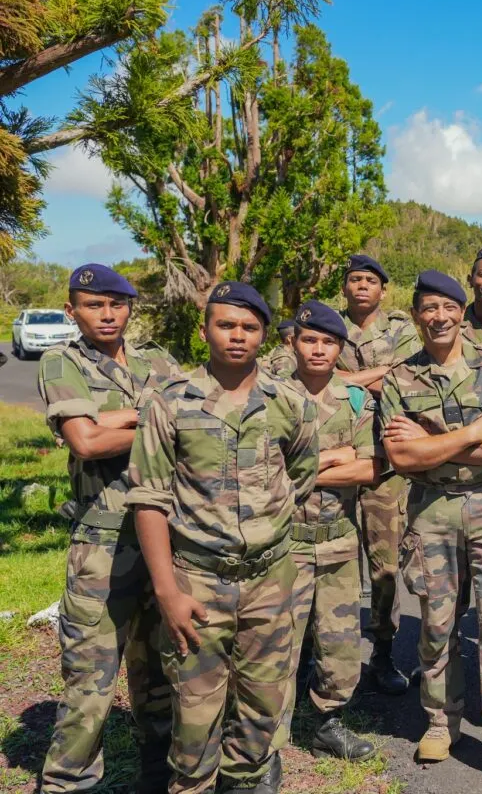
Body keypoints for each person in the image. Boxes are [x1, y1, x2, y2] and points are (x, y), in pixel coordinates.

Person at [128, 282, 319, 794]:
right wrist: (167, 591)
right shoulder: (170, 403)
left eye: (249, 327)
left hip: (270, 582)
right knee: (194, 720)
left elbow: (299, 477)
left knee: (262, 711)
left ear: (264, 335)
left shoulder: (290, 403)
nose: (238, 336)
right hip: (197, 582)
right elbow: (149, 499)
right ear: (204, 330)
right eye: (226, 325)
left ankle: (245, 781)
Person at [380, 270, 482, 792]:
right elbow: (401, 458)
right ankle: (440, 721)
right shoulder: (400, 379)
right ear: (416, 315)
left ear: (462, 314)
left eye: (448, 308)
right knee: (437, 625)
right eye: (429, 308)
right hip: (431, 512)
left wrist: (432, 441)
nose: (439, 317)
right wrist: (471, 432)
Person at [38, 264, 179, 794]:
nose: (107, 314)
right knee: (90, 684)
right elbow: (87, 442)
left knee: (161, 672)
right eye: (93, 305)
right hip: (103, 545)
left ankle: (158, 776)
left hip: (164, 539)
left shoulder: (156, 360)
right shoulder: (62, 361)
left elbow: (194, 417)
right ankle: (68, 782)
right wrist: (154, 417)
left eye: (116, 304)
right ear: (72, 311)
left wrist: (113, 417)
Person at [273, 301, 382, 762]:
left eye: (328, 342)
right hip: (284, 543)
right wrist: (336, 457)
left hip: (338, 541)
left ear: (340, 348)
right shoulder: (271, 396)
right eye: (310, 340)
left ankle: (327, 723)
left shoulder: (355, 400)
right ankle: (270, 740)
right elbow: (265, 470)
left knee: (340, 642)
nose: (318, 349)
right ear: (294, 343)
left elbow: (370, 468)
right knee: (278, 643)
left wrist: (300, 468)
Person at [336, 253, 420, 696]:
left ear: (383, 290)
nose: (362, 286)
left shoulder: (401, 330)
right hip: (336, 461)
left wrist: (344, 378)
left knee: (385, 567)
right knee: (332, 565)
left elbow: (405, 380)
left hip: (384, 464)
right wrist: (374, 375)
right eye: (355, 279)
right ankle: (330, 657)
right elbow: (308, 372)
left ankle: (383, 654)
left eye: (370, 280)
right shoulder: (330, 326)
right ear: (345, 287)